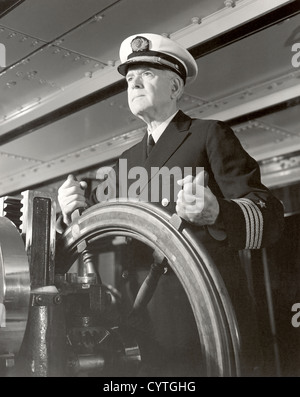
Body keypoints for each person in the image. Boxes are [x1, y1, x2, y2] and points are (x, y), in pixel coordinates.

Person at [57, 33, 285, 376]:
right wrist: (69, 210)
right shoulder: (126, 161)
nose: (133, 83)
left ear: (175, 87)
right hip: (141, 323)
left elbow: (269, 216)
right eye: (129, 78)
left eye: (146, 74)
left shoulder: (209, 135)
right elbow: (93, 230)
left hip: (204, 317)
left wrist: (217, 211)